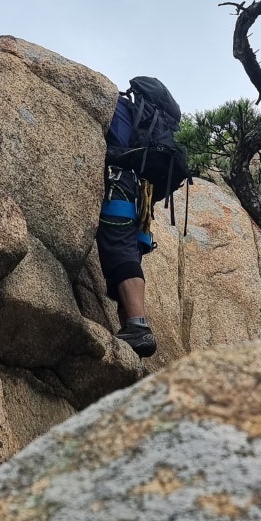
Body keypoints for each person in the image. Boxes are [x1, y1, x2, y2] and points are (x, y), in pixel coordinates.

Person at [95, 90, 159, 358]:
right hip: (138, 195)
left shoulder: (116, 106)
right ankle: (130, 332)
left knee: (119, 250)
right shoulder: (139, 119)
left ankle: (138, 326)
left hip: (119, 186)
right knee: (126, 253)